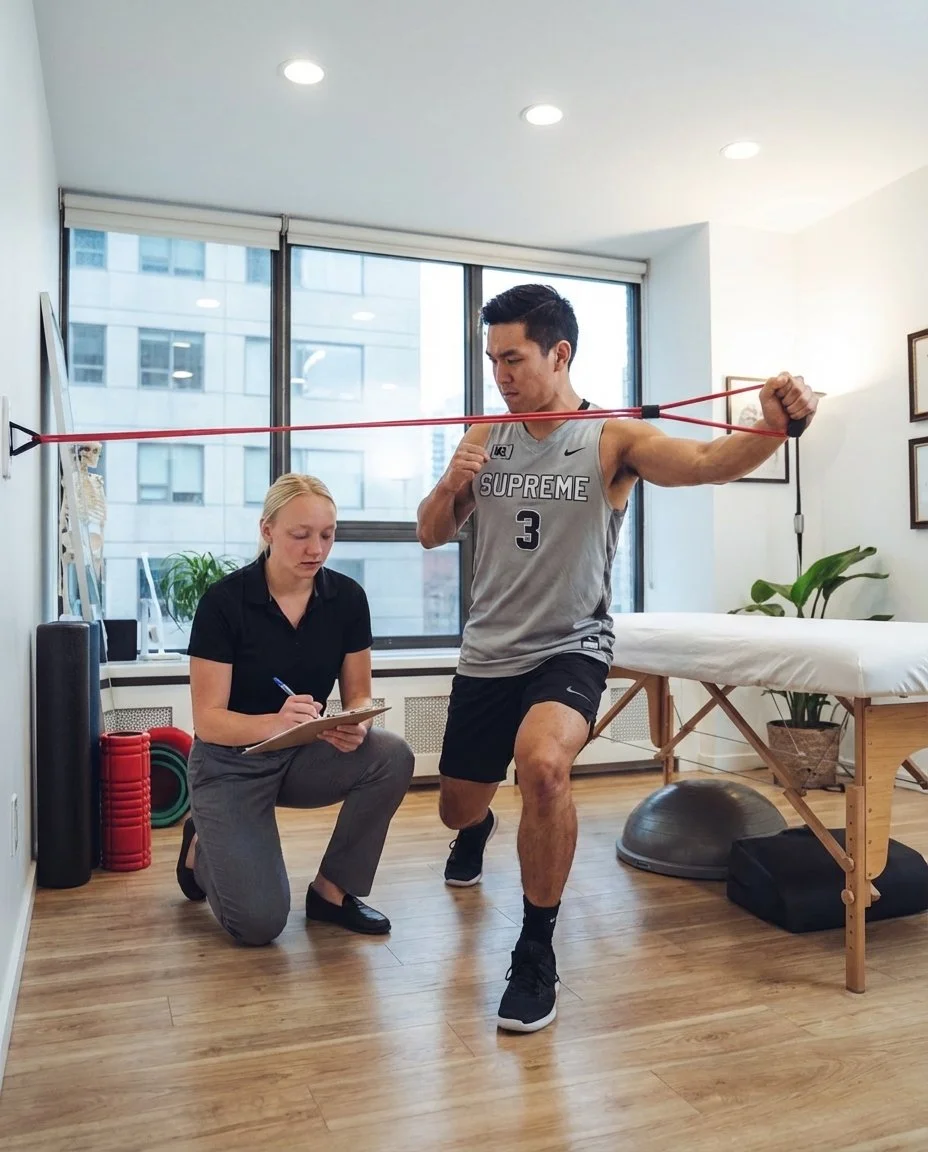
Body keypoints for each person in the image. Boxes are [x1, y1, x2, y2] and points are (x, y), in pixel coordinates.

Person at [417, 283, 817, 1032]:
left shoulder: (612, 441)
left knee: (544, 766)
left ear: (559, 353)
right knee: (455, 804)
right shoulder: (484, 435)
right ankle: (475, 830)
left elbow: (704, 462)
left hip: (570, 643)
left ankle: (536, 949)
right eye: (491, 360)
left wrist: (771, 428)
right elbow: (431, 533)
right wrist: (450, 485)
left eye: (514, 358)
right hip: (487, 652)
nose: (500, 375)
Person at [175, 473, 415, 944]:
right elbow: (207, 720)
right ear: (267, 531)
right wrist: (276, 722)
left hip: (305, 753)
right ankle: (199, 849)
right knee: (259, 925)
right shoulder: (224, 603)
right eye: (300, 535)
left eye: (326, 536)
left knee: (393, 755)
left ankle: (332, 892)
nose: (316, 549)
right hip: (230, 762)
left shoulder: (347, 599)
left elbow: (359, 695)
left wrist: (356, 724)